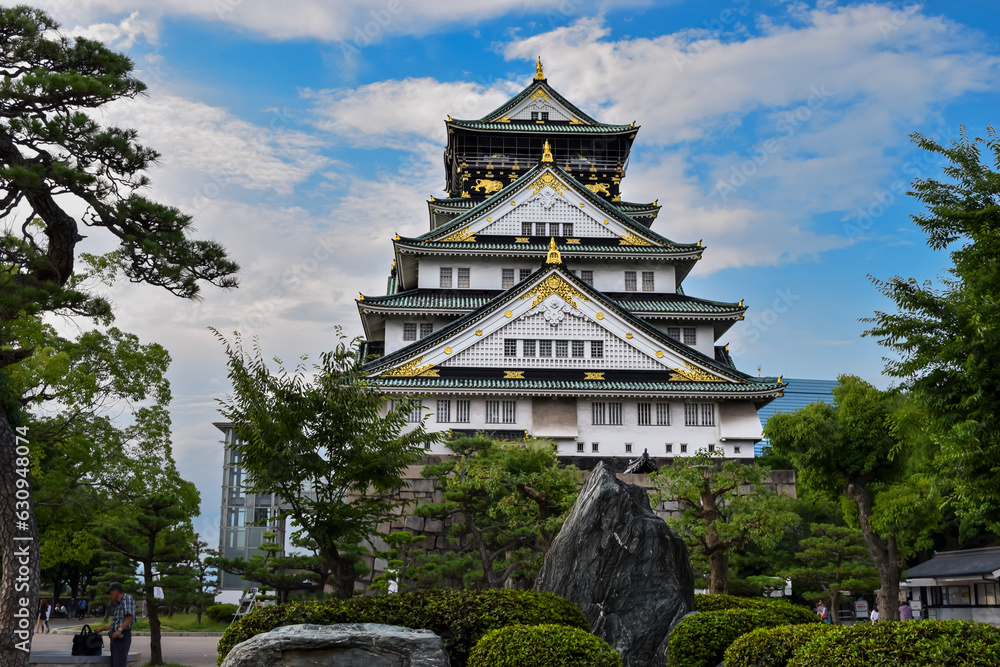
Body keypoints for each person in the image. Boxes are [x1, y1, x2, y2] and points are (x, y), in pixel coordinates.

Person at [93, 583, 135, 667]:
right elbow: (115, 623)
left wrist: (120, 630)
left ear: (116, 591)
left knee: (119, 663)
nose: (110, 595)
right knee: (115, 662)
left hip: (122, 636)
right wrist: (101, 629)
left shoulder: (127, 599)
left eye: (110, 593)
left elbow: (130, 617)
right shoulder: (118, 604)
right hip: (115, 636)